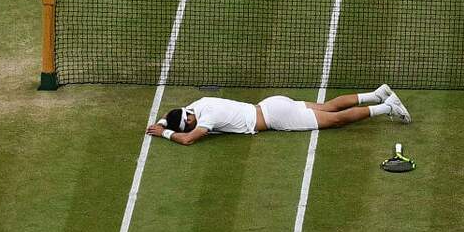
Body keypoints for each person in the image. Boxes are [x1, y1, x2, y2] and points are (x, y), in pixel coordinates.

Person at [145, 84, 410, 145]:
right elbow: (176, 118)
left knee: (335, 120)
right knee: (328, 106)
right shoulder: (200, 103)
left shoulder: (206, 120)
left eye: (184, 125)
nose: (186, 127)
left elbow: (190, 139)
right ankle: (378, 94)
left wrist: (166, 133)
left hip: (277, 118)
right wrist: (162, 122)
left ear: (189, 120)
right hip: (273, 103)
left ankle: (388, 107)